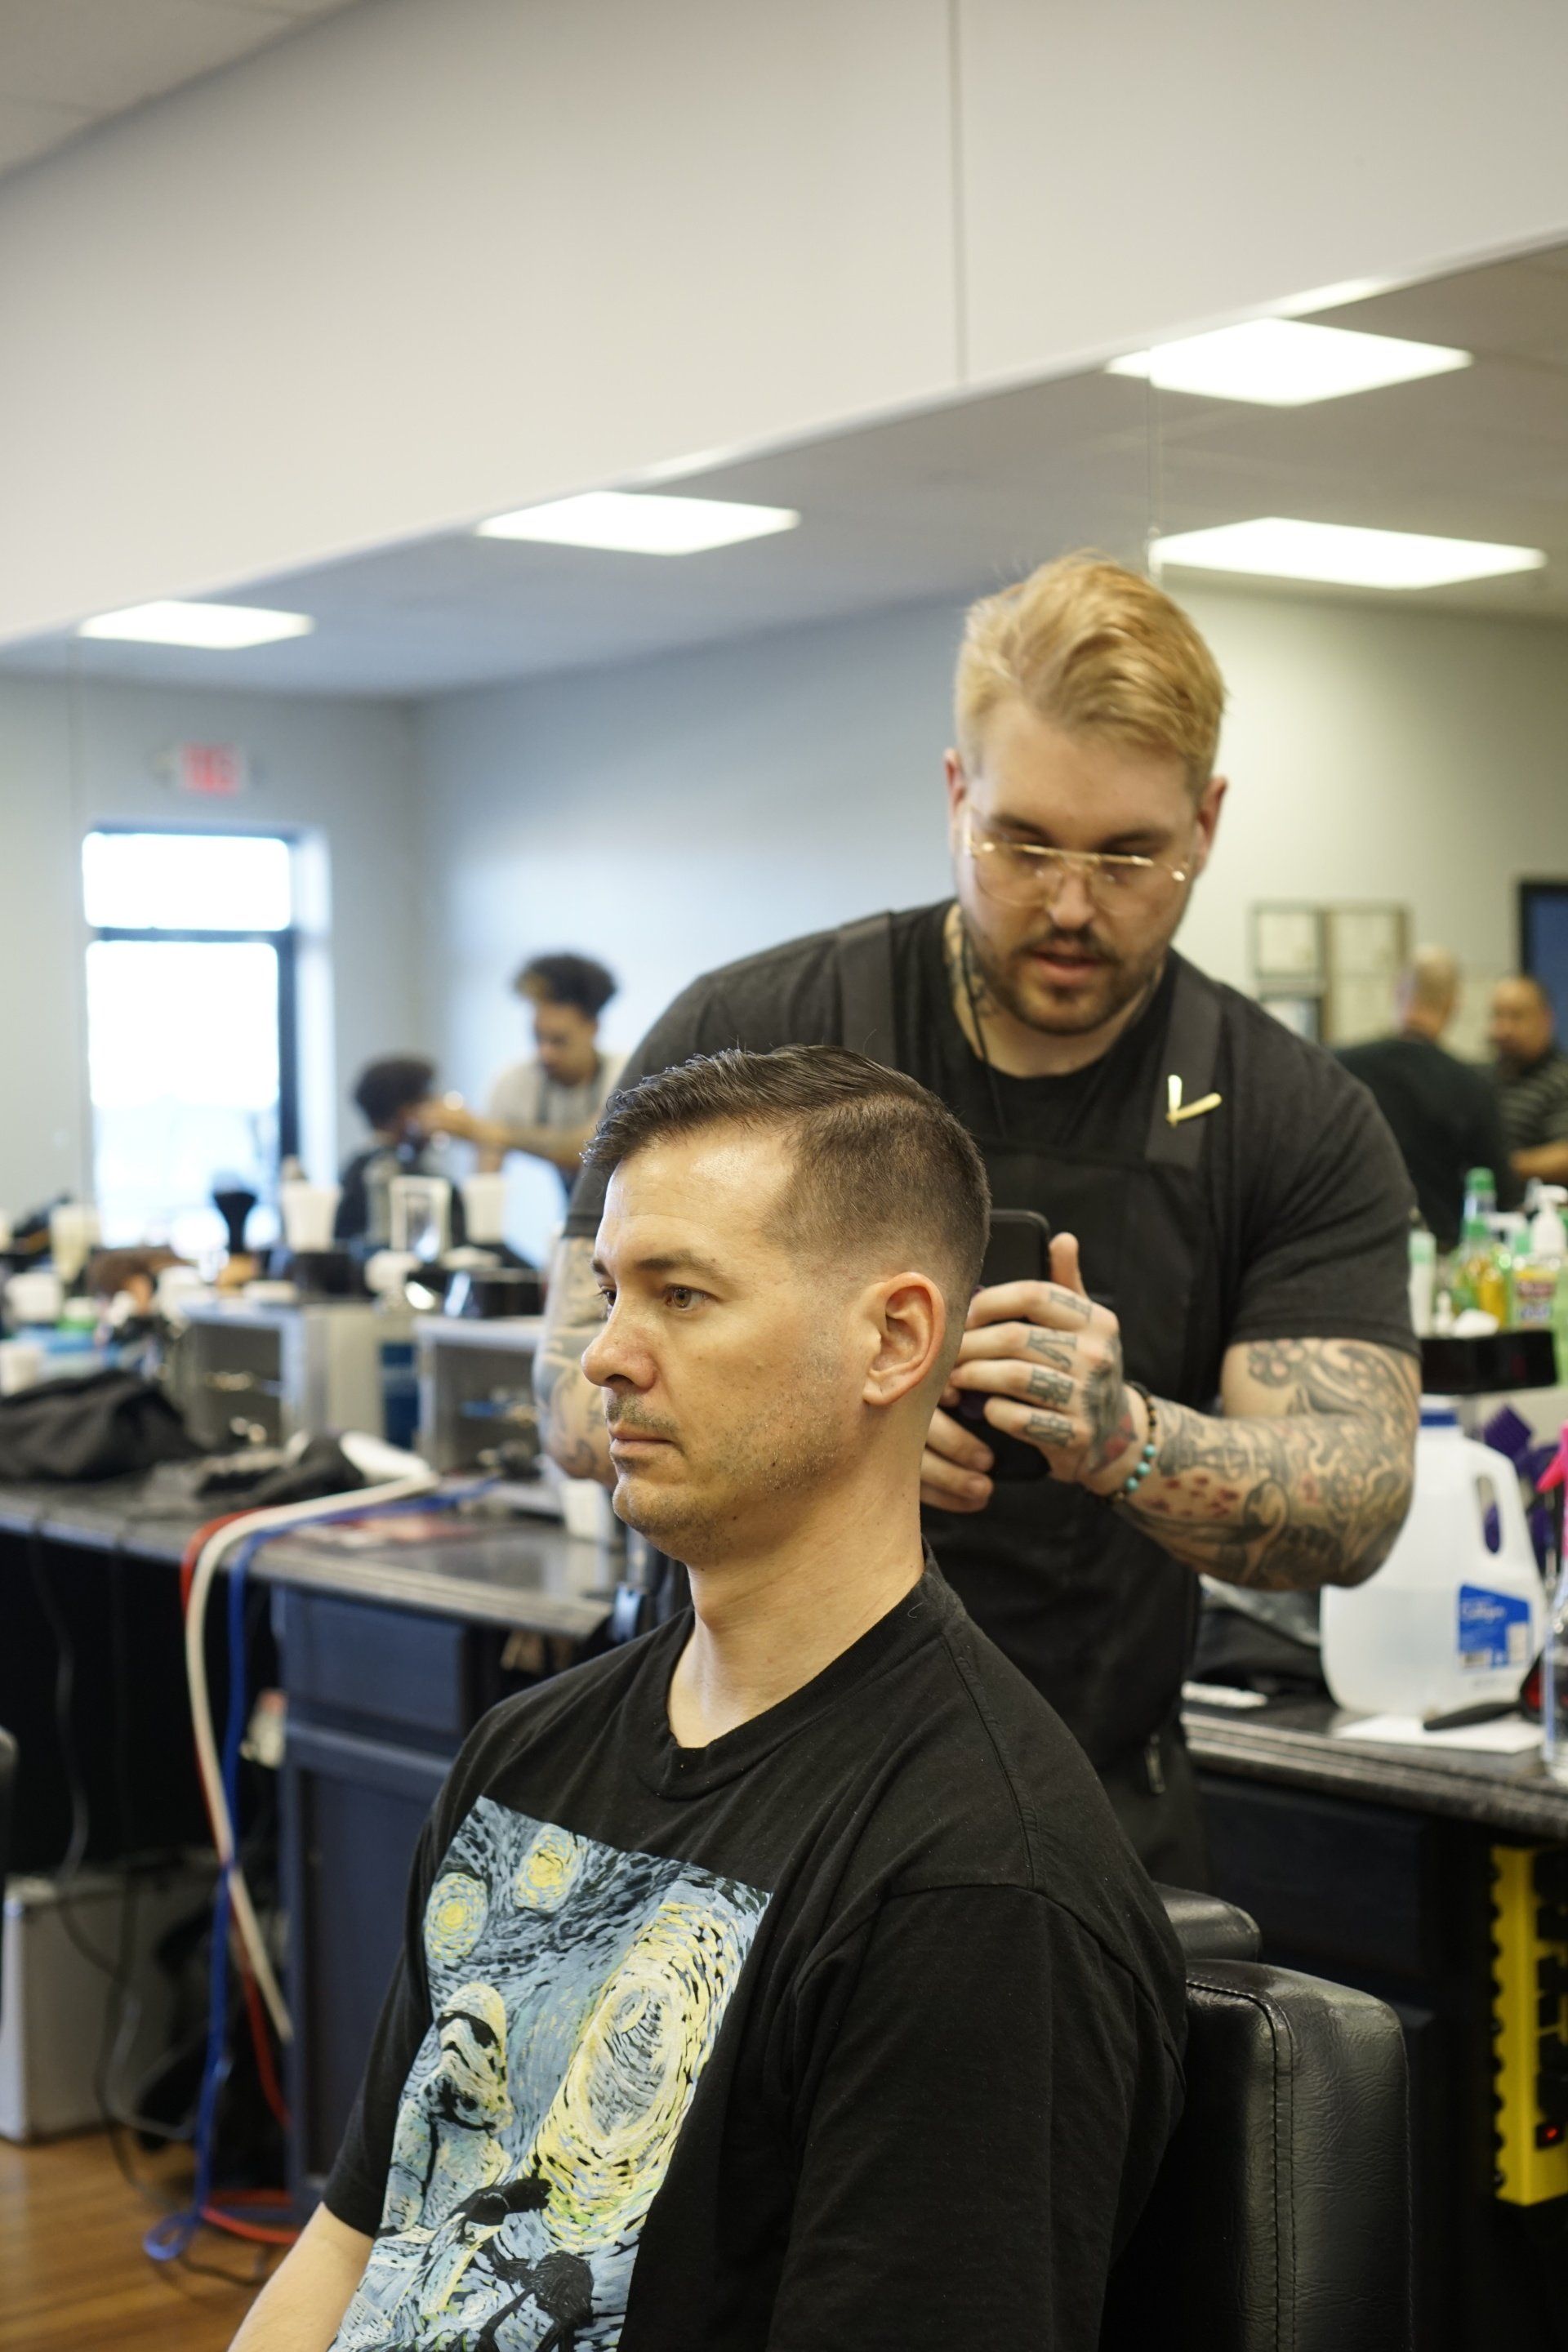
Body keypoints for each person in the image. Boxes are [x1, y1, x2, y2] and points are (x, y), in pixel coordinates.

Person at [229, 1047, 1186, 2352]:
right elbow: (359, 2238)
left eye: (682, 1295)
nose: (609, 1357)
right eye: (615, 1291)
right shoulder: (526, 1755)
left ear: (895, 1339)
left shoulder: (977, 1885)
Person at [537, 552, 1420, 1884]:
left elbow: (1358, 1502)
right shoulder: (748, 1037)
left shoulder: (1284, 1112)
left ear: (1208, 824)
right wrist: (838, 1413)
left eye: (1130, 855)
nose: (1072, 904)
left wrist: (1124, 1439)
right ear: (958, 797)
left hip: (1072, 1837)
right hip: (718, 1804)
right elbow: (567, 1393)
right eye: (1025, 844)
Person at [1337, 947, 1519, 1248]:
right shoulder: (1471, 1086)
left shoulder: (1341, 1068)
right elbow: (1501, 1192)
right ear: (1453, 1006)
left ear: (1396, 992)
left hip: (1351, 1248)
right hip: (1438, 1250)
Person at [423, 952, 626, 1198]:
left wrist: (492, 1132)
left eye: (559, 1041)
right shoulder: (513, 1083)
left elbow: (589, 1149)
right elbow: (485, 1178)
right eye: (538, 1038)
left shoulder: (623, 1075)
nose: (546, 1054)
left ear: (592, 1028)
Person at [336, 1056, 464, 1250]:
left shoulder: (353, 1168)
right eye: (431, 1101)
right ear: (406, 1113)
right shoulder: (425, 1184)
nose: (441, 1111)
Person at [1490, 975, 1568, 1186]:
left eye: (1516, 1016)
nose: (1504, 1028)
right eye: (1498, 1016)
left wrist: (1500, 1165)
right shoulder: (1487, 1078)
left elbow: (1565, 1156)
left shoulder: (1562, 1079)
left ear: (1546, 1019)